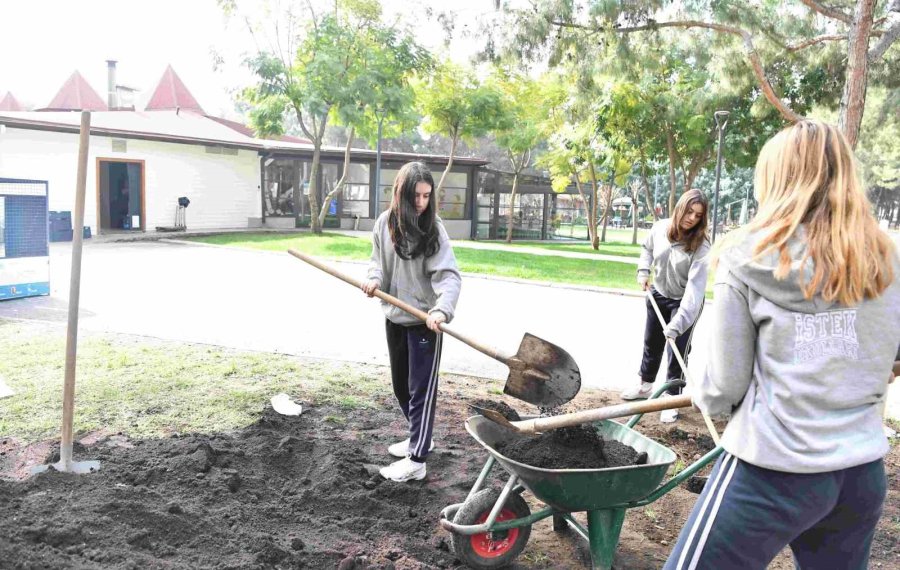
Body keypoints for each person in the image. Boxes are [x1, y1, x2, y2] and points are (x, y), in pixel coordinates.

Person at [665, 120, 900, 569]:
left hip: (771, 472)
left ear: (776, 180)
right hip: (860, 475)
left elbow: (721, 390)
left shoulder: (744, 257)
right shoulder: (887, 259)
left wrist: (707, 391)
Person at [362, 162, 461, 483]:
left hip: (425, 325)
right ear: (402, 195)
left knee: (421, 392)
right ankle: (422, 436)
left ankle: (417, 459)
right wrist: (373, 280)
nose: (421, 203)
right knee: (401, 387)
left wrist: (441, 310)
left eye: (427, 196)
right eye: (416, 196)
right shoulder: (384, 224)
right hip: (395, 318)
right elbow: (377, 263)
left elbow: (449, 277)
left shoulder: (433, 228)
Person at [622, 189, 710, 423]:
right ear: (680, 208)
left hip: (684, 303)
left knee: (677, 351)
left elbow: (694, 292)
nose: (692, 218)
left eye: (698, 215)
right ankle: (645, 386)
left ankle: (671, 398)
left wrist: (678, 324)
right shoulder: (660, 228)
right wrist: (643, 271)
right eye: (689, 211)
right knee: (652, 342)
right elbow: (647, 249)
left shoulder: (701, 246)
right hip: (658, 294)